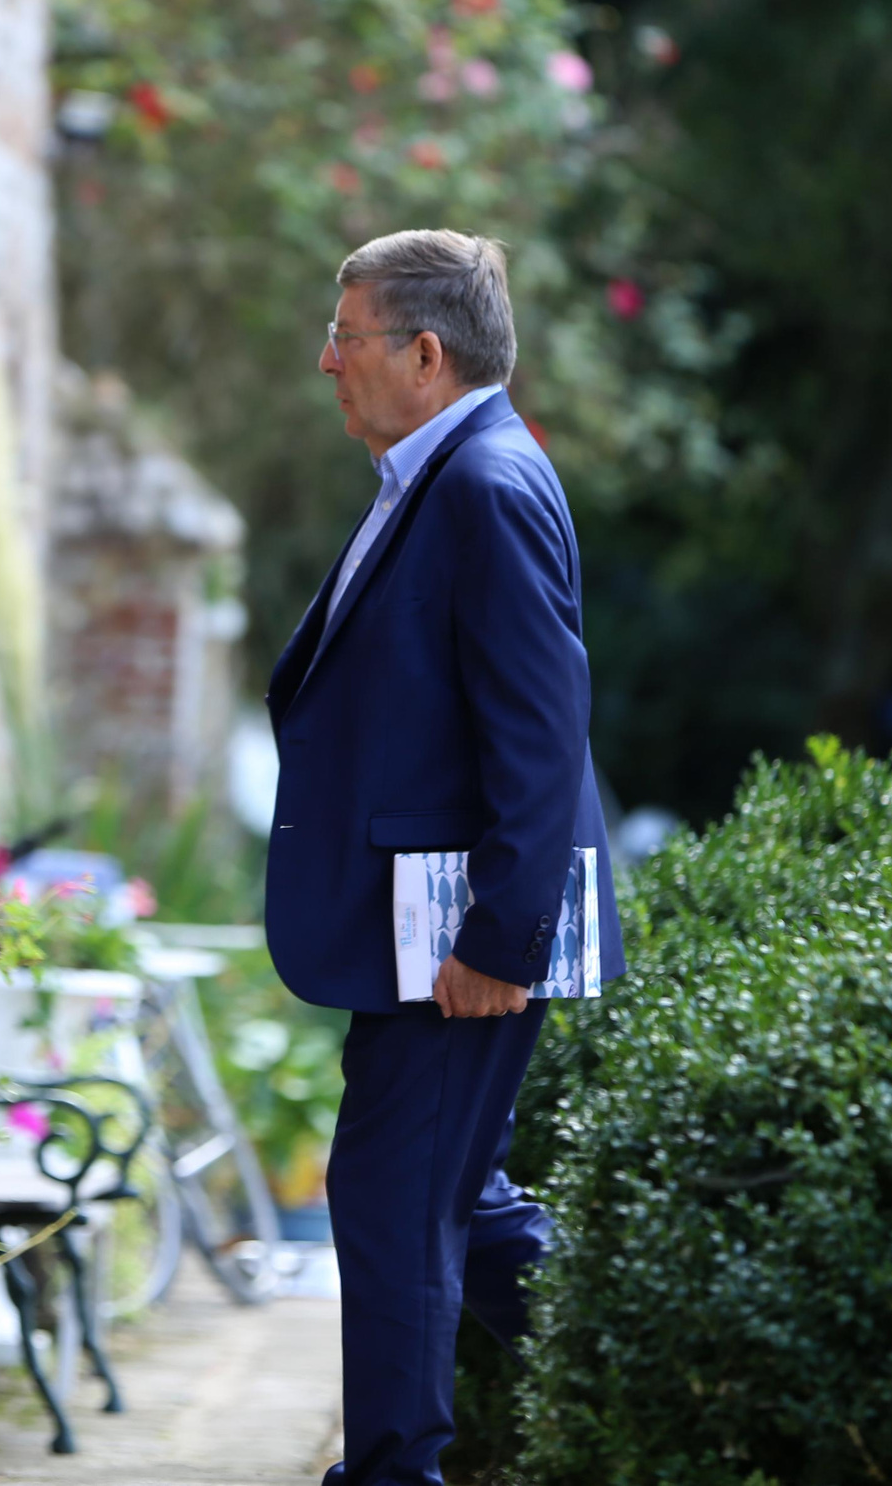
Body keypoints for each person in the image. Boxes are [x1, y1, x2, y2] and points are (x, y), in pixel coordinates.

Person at [262, 230, 625, 1486]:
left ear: (424, 353)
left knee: (392, 1198)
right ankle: (657, 1376)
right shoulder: (440, 473)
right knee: (444, 1196)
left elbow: (539, 729)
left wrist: (498, 941)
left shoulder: (481, 482)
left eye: (345, 336)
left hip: (458, 940)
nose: (326, 362)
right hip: (419, 928)